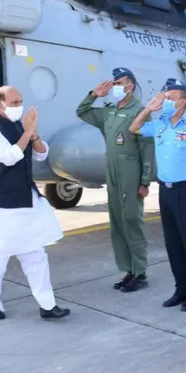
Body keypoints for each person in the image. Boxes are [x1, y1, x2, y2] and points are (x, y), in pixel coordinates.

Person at [0, 86, 70, 321]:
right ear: (0, 104)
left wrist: (34, 134)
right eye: (15, 102)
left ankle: (47, 305)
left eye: (21, 101)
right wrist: (27, 133)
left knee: (36, 256)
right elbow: (8, 157)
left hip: (26, 199)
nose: (20, 106)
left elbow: (41, 154)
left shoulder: (22, 127)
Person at [129, 78, 186, 312]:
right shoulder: (160, 123)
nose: (165, 101)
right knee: (173, 244)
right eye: (164, 98)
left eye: (170, 98)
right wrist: (148, 109)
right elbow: (134, 128)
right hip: (165, 191)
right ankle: (180, 290)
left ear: (183, 102)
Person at [76, 68, 155, 292]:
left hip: (131, 170)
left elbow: (147, 148)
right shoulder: (108, 112)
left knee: (132, 220)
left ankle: (141, 272)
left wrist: (145, 181)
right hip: (112, 171)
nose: (115, 87)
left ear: (130, 86)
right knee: (118, 223)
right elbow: (81, 111)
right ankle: (128, 270)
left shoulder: (140, 112)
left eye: (119, 83)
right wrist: (94, 94)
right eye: (114, 83)